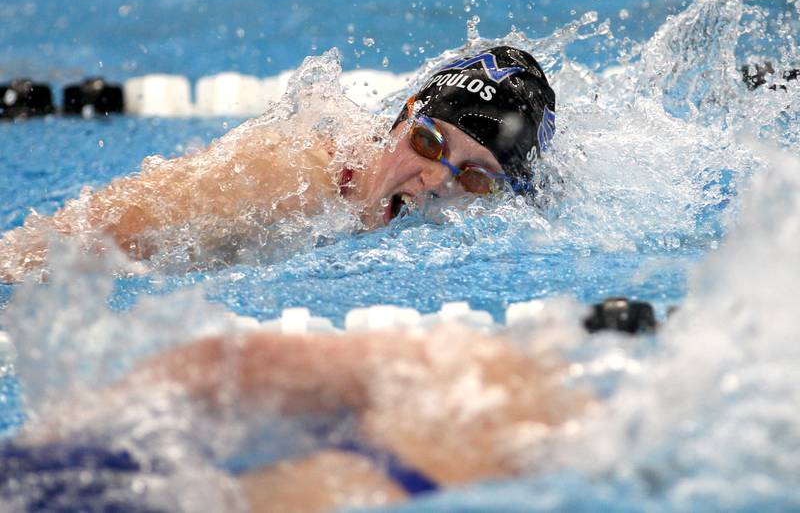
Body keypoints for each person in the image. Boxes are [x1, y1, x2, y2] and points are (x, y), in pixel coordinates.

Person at [0, 45, 556, 281]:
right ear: (402, 118)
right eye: (430, 144)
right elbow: (63, 245)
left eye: (477, 177)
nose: (436, 179)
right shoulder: (285, 176)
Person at [2, 324, 589, 513]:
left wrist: (66, 427)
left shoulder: (486, 376)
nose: (437, 181)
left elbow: (226, 363)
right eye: (431, 144)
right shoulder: (498, 388)